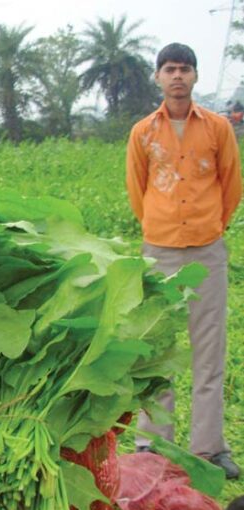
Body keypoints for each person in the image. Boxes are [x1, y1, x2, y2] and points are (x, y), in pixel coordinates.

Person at [126, 42, 242, 480]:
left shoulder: (216, 128)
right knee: (159, 348)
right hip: (159, 250)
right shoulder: (143, 132)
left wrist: (207, 228)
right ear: (158, 77)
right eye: (170, 69)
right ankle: (153, 446)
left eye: (185, 69)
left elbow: (232, 186)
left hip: (207, 251)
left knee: (208, 351)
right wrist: (163, 228)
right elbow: (138, 190)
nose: (177, 76)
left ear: (195, 77)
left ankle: (210, 449)